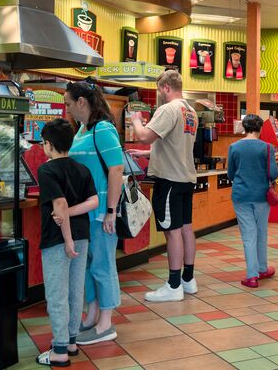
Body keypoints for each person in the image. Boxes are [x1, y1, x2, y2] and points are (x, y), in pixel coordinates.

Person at [128, 70, 199, 301]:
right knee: (186, 228)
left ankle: (174, 285)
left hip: (169, 180)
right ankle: (188, 280)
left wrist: (137, 121)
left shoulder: (168, 109)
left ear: (166, 87)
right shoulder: (190, 111)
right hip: (185, 179)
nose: (160, 94)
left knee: (172, 231)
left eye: (160, 90)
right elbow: (174, 146)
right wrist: (148, 153)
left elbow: (145, 136)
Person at [65, 82, 124, 346]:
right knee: (87, 266)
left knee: (102, 266)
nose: (66, 108)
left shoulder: (103, 129)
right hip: (83, 212)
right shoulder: (81, 130)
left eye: (68, 103)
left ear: (81, 102)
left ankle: (106, 322)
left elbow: (116, 170)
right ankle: (92, 315)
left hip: (101, 212)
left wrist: (110, 210)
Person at [36, 119, 99, 367]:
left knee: (56, 293)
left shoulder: (47, 170)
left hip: (58, 239)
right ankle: (71, 341)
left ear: (49, 145)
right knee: (75, 290)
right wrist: (72, 223)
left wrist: (67, 239)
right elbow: (93, 201)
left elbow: (59, 205)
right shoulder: (81, 168)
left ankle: (59, 350)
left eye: (43, 143)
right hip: (82, 235)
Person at [227, 114, 278, 288]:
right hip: (262, 196)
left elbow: (230, 174)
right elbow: (273, 173)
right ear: (260, 129)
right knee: (261, 231)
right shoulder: (267, 148)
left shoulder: (234, 147)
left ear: (244, 127)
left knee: (248, 235)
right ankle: (262, 268)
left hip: (241, 196)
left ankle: (251, 276)